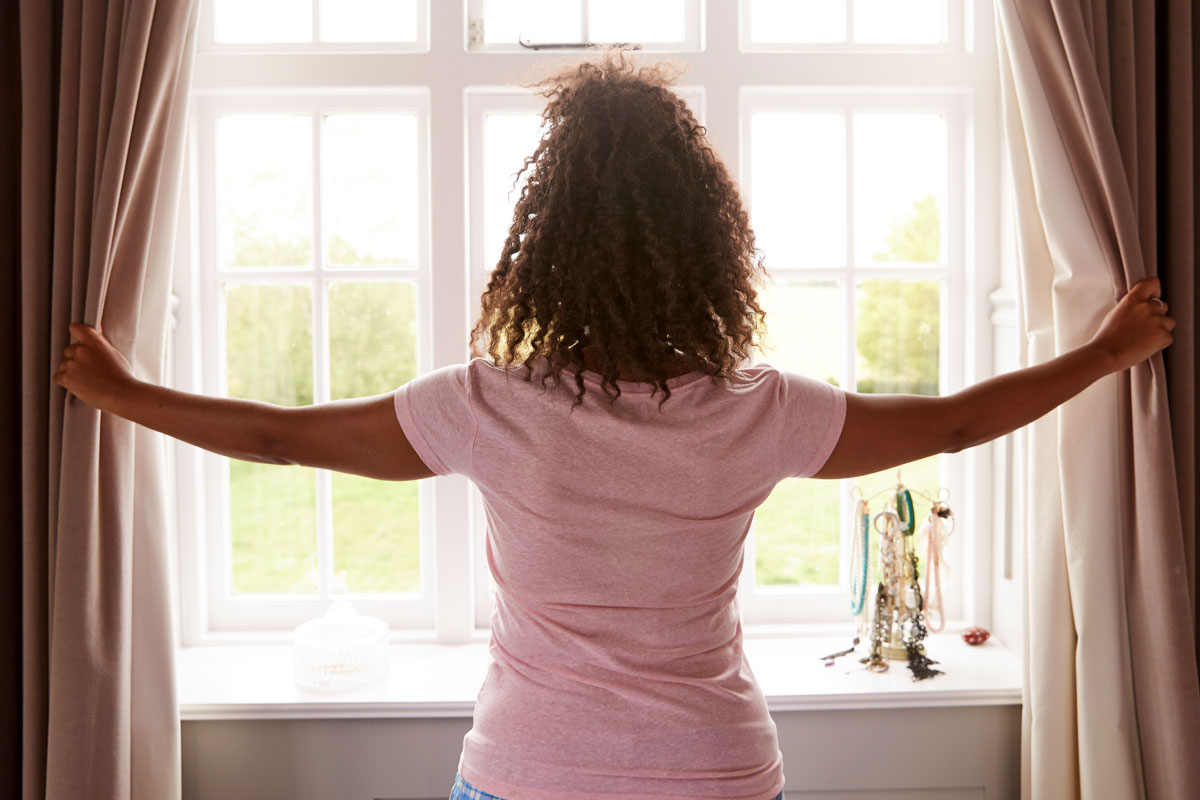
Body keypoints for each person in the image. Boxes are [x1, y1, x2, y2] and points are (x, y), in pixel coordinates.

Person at [54, 50, 1174, 800]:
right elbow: (956, 423)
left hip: (529, 772)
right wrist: (1107, 352)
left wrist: (121, 391)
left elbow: (281, 436)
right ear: (710, 249)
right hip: (715, 769)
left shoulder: (488, 403)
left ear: (546, 246)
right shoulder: (759, 409)